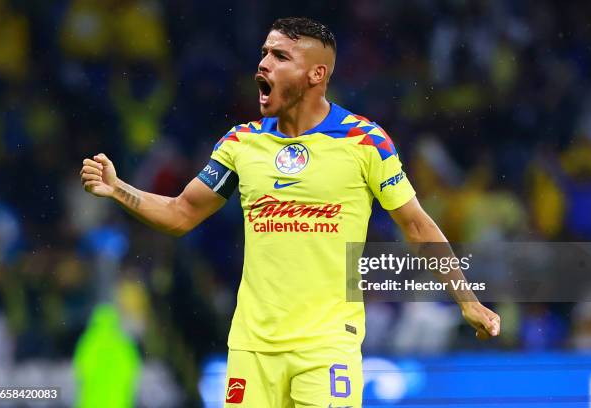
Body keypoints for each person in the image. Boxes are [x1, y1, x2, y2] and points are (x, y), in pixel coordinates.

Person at [80, 17, 500, 407]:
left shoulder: (364, 141)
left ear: (316, 75)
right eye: (264, 53)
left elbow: (416, 224)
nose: (263, 64)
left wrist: (467, 301)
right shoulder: (240, 144)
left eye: (280, 57)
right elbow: (181, 213)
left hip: (327, 346)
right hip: (252, 348)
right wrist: (119, 189)